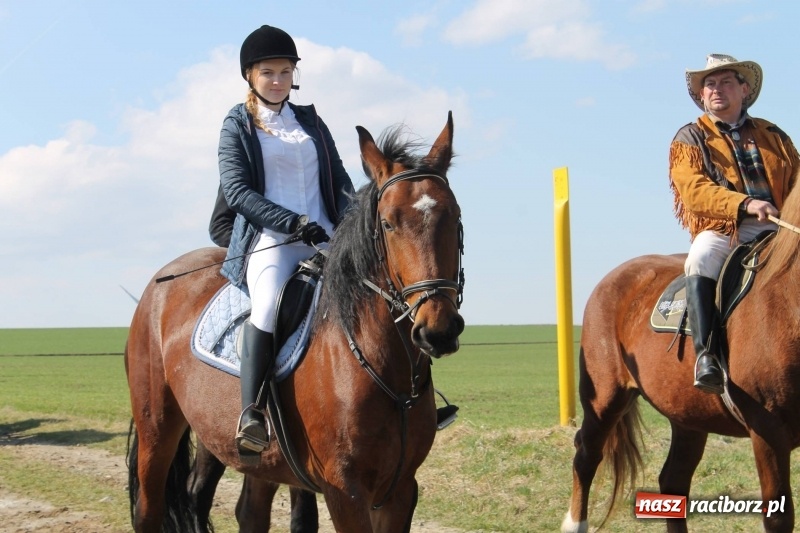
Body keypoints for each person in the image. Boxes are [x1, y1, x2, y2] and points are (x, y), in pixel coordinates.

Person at [213, 24, 354, 454]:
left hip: (327, 238)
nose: (278, 81)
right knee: (269, 305)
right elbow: (237, 191)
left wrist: (353, 224)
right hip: (271, 242)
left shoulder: (311, 122)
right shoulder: (237, 124)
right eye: (268, 73)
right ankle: (252, 413)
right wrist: (292, 223)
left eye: (285, 72)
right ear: (250, 76)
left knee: (380, 295)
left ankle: (412, 400)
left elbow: (341, 181)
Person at [669, 54, 800, 394]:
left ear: (744, 90)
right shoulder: (690, 137)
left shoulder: (774, 135)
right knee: (699, 259)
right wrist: (744, 204)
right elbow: (694, 190)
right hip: (723, 230)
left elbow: (797, 182)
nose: (717, 89)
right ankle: (707, 356)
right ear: (702, 95)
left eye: (726, 82)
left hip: (778, 227)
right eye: (710, 84)